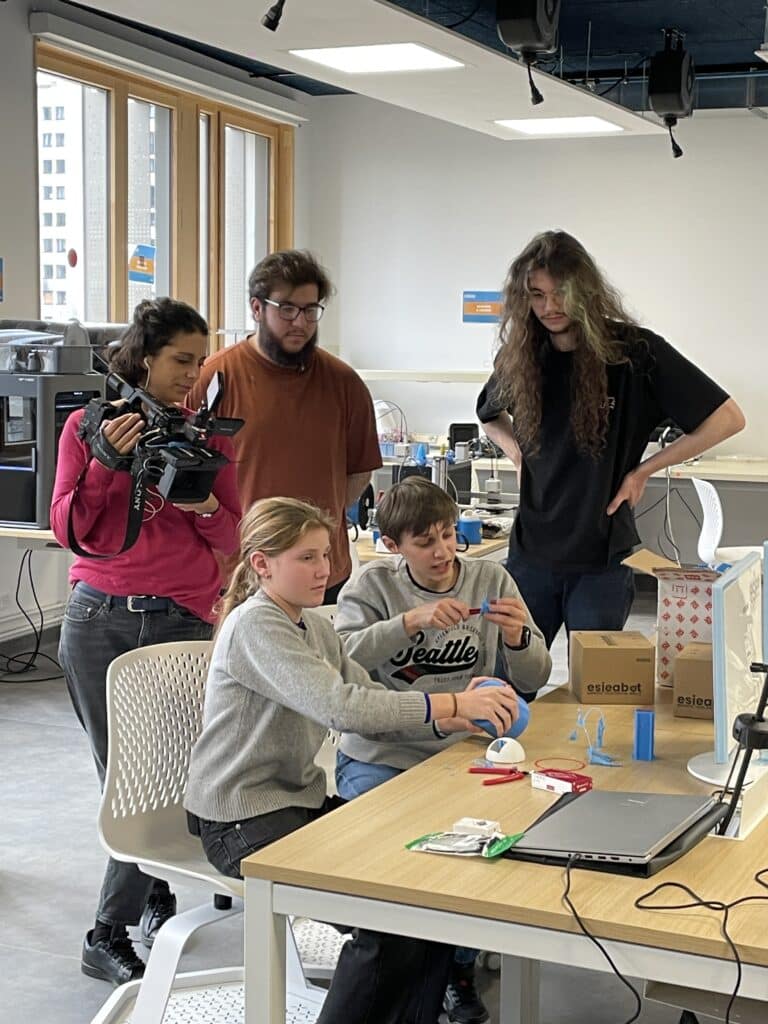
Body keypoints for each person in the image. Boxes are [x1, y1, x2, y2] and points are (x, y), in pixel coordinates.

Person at [184, 496, 522, 1024]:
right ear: (261, 564)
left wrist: (455, 718)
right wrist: (451, 704)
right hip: (239, 820)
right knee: (387, 919)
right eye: (307, 558)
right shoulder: (257, 626)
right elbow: (342, 707)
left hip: (294, 804)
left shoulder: (314, 627)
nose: (324, 570)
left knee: (428, 899)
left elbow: (368, 700)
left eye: (325, 555)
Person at [50, 298, 241, 986]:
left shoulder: (208, 436)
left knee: (165, 781)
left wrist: (205, 503)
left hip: (181, 622)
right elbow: (70, 529)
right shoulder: (88, 425)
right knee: (127, 785)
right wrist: (107, 462)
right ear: (144, 357)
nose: (193, 376)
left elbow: (234, 537)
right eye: (181, 361)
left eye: (200, 362)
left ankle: (147, 890)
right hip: (100, 622)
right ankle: (109, 930)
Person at [332, 476, 551, 1024]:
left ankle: (455, 965)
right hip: (380, 756)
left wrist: (521, 638)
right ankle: (402, 964)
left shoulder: (490, 578)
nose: (442, 551)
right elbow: (340, 662)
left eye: (450, 535)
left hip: (460, 754)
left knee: (487, 848)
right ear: (393, 545)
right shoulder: (373, 586)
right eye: (424, 541)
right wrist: (409, 621)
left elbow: (538, 675)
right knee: (406, 855)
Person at [476, 230, 745, 649]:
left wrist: (643, 471)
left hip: (602, 558)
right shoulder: (522, 354)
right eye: (537, 295)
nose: (550, 307)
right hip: (530, 555)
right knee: (513, 685)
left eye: (561, 292)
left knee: (592, 691)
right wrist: (517, 455)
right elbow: (489, 416)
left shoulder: (635, 353)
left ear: (585, 289)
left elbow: (727, 419)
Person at [187, 249, 381, 603]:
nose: (300, 322)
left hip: (320, 577)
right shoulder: (215, 378)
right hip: (239, 574)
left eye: (310, 310)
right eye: (287, 309)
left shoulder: (343, 383)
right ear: (257, 309)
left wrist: (314, 526)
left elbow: (358, 474)